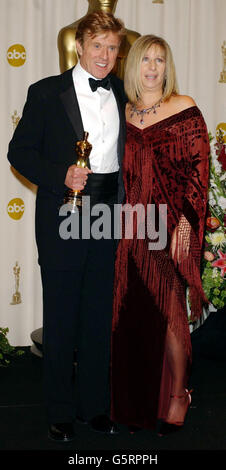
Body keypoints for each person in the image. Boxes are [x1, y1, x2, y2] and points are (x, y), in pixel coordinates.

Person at [8, 11, 127, 442]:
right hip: (63, 211)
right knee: (61, 315)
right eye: (98, 46)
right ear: (79, 46)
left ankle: (95, 407)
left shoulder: (123, 91)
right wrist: (61, 174)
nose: (105, 56)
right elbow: (19, 152)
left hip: (108, 212)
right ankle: (59, 410)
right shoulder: (45, 92)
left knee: (98, 314)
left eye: (113, 48)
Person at [110, 34, 210, 435]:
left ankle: (177, 395)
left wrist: (186, 223)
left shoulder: (184, 108)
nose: (152, 67)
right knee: (131, 315)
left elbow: (199, 173)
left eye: (160, 60)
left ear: (168, 67)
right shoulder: (124, 113)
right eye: (146, 59)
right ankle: (133, 400)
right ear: (133, 65)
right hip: (129, 230)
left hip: (171, 228)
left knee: (171, 317)